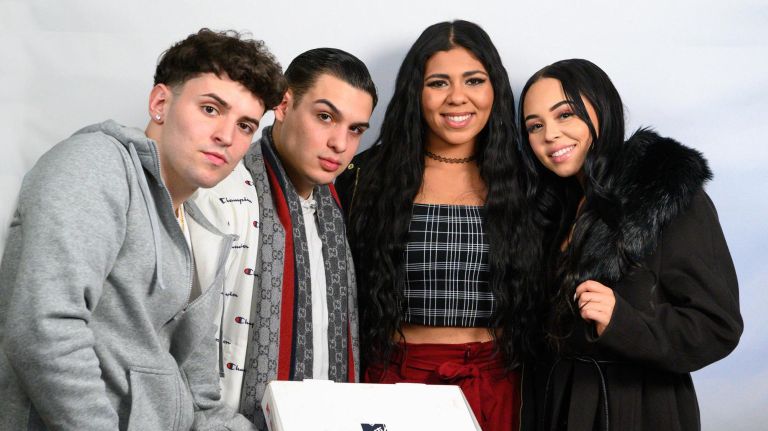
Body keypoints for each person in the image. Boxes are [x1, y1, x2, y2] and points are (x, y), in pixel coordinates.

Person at [0, 29, 284, 430]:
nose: (226, 136)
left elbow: (200, 395)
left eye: (245, 126)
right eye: (210, 109)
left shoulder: (202, 229)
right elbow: (43, 330)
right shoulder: (94, 166)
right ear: (161, 103)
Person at [517, 58, 743, 430]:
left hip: (638, 408)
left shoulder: (662, 194)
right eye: (534, 126)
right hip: (558, 403)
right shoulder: (549, 209)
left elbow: (718, 325)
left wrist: (623, 322)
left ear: (601, 108)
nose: (550, 134)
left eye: (565, 115)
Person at [336, 20, 537, 431]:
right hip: (395, 381)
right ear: (416, 92)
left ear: (494, 88)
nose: (457, 98)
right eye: (439, 83)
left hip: (496, 383)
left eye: (474, 80)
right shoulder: (367, 176)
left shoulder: (526, 179)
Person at [189, 47, 376, 429]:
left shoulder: (336, 207)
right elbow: (185, 344)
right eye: (325, 117)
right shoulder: (222, 195)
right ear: (284, 104)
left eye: (355, 129)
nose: (340, 143)